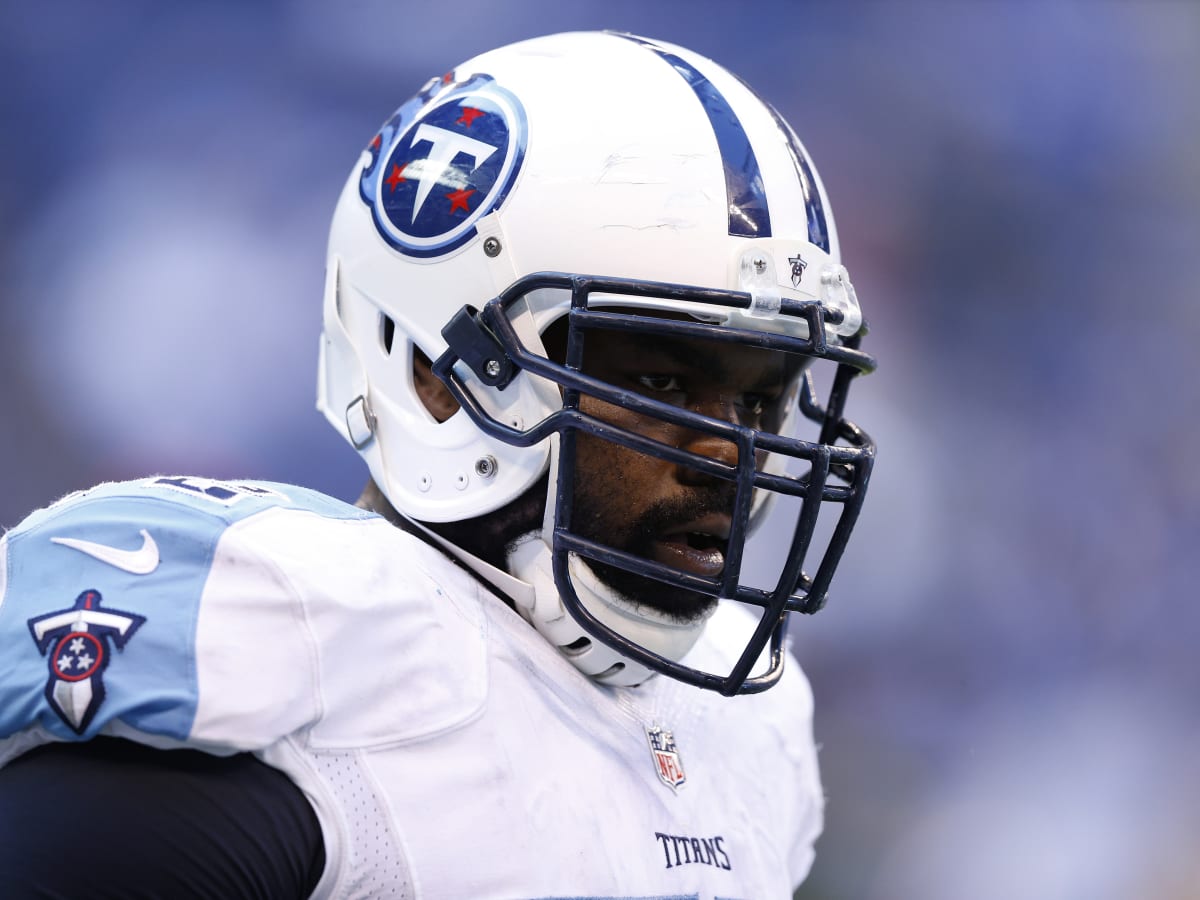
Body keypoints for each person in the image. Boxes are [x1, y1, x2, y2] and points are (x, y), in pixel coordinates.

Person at [0, 31, 876, 899]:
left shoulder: (753, 722)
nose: (732, 450)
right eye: (660, 377)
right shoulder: (307, 652)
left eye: (760, 400)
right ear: (436, 377)